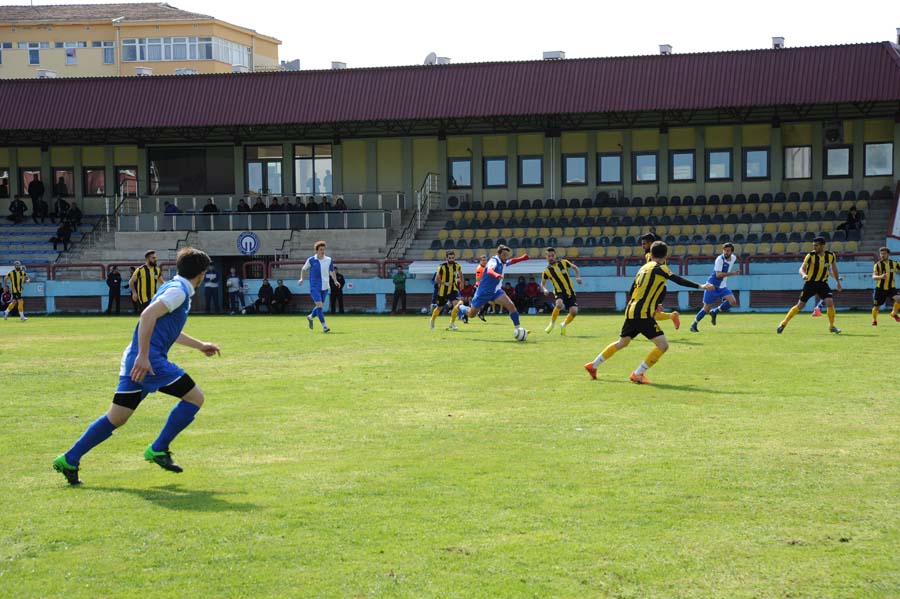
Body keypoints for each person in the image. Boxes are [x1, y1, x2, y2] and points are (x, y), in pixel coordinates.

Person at [52, 247, 220, 485]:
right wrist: (143, 355)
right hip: (150, 361)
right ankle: (159, 449)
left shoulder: (175, 287)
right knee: (195, 398)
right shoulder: (178, 291)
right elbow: (147, 316)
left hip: (137, 360)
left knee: (117, 417)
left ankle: (69, 459)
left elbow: (167, 327)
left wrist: (200, 345)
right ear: (202, 274)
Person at [584, 241, 714, 384]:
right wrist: (701, 286)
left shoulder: (643, 268)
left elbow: (632, 290)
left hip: (631, 310)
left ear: (650, 254)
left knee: (623, 342)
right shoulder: (661, 268)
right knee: (663, 345)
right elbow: (677, 279)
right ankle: (638, 374)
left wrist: (654, 302)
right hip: (642, 314)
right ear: (666, 255)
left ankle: (593, 365)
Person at [457, 245, 530, 337]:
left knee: (511, 306)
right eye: (504, 255)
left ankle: (518, 328)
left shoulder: (503, 262)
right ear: (498, 254)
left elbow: (511, 261)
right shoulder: (493, 261)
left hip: (496, 292)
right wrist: (496, 275)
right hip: (483, 292)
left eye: (507, 255)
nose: (506, 257)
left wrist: (522, 258)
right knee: (471, 314)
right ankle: (460, 306)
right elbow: (490, 271)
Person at [777, 237, 843, 335]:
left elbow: (833, 270)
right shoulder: (810, 255)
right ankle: (783, 323)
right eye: (813, 246)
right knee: (800, 305)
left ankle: (832, 326)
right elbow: (801, 268)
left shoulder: (830, 256)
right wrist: (804, 275)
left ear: (822, 246)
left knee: (830, 302)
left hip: (823, 284)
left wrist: (837, 281)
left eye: (816, 246)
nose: (814, 248)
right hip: (810, 283)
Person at [690, 242, 741, 332]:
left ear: (732, 252)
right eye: (724, 250)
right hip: (712, 286)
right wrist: (732, 273)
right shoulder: (719, 259)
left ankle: (715, 311)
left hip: (722, 286)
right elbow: (718, 275)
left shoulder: (733, 258)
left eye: (728, 250)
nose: (726, 252)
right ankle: (694, 325)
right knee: (706, 309)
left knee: (732, 301)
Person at [639, 232, 681, 330]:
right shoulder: (655, 255)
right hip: (659, 287)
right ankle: (671, 316)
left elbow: (652, 271)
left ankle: (652, 333)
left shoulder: (651, 256)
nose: (642, 246)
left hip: (655, 288)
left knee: (646, 312)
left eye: (644, 244)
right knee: (649, 312)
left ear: (650, 243)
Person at [541, 247, 582, 335]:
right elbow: (543, 283)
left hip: (570, 292)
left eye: (552, 255)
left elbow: (575, 268)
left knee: (574, 312)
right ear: (546, 258)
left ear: (555, 256)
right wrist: (545, 289)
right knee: (559, 304)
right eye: (549, 256)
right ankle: (551, 324)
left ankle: (563, 324)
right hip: (559, 292)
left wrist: (578, 277)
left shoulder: (564, 263)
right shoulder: (546, 271)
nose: (551, 257)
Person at [298, 240, 338, 332]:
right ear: (316, 251)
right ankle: (324, 326)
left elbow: (332, 271)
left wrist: (335, 281)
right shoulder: (311, 260)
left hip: (325, 286)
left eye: (323, 249)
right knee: (319, 306)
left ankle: (311, 316)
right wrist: (301, 279)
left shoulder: (328, 260)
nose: (322, 251)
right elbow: (303, 269)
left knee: (320, 306)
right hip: (315, 287)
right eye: (320, 249)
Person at [429, 250, 465, 330]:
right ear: (446, 258)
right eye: (450, 258)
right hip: (443, 291)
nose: (451, 259)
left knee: (457, 305)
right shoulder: (441, 267)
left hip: (453, 289)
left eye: (453, 258)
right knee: (439, 308)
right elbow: (436, 279)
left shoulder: (457, 266)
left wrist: (462, 282)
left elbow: (460, 274)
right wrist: (445, 283)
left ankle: (452, 323)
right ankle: (432, 320)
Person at [871, 247, 900, 326]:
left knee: (899, 299)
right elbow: (873, 277)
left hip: (891, 288)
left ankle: (893, 314)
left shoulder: (894, 263)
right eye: (881, 254)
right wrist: (881, 277)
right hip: (880, 289)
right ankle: (874, 320)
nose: (882, 255)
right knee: (876, 307)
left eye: (884, 254)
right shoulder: (877, 265)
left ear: (888, 254)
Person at [129, 250, 164, 314]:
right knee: (148, 317)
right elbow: (131, 282)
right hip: (143, 298)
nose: (155, 259)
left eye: (155, 257)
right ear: (147, 259)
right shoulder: (140, 270)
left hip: (154, 298)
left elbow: (162, 282)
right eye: (153, 258)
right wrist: (134, 293)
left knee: (152, 318)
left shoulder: (157, 270)